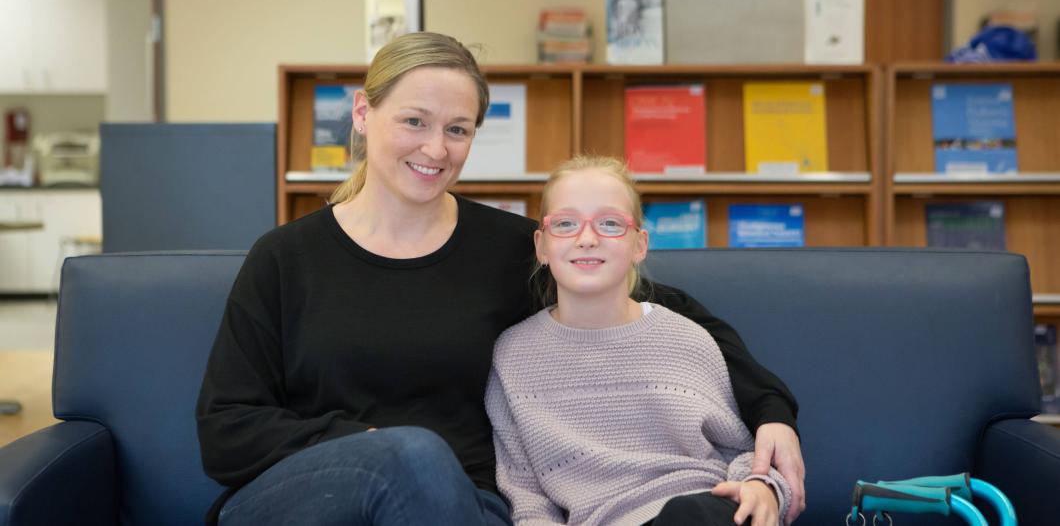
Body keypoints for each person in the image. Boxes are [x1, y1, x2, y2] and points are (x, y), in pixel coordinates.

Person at [196, 32, 804, 526]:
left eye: (457, 129)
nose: (436, 148)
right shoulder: (285, 258)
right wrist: (368, 442)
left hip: (463, 506)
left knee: (426, 470)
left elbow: (659, 307)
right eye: (414, 121)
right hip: (304, 504)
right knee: (410, 454)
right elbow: (225, 429)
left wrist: (772, 411)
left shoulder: (508, 249)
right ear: (363, 112)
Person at [487, 156, 789, 526]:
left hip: (702, 507)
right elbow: (525, 493)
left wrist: (762, 485)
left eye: (610, 223)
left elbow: (740, 451)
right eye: (565, 223)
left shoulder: (686, 338)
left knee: (690, 514)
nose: (587, 239)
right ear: (542, 246)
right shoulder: (512, 355)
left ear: (639, 245)